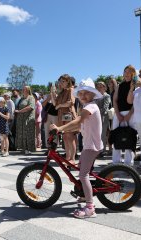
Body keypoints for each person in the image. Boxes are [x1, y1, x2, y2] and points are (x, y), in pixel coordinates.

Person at [51, 79, 103, 218]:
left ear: (93, 94)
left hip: (91, 147)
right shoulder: (87, 107)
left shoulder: (90, 107)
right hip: (89, 145)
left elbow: (78, 120)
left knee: (83, 175)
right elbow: (79, 126)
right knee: (83, 170)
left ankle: (90, 208)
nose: (84, 95)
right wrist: (62, 131)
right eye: (81, 93)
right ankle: (86, 195)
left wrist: (60, 128)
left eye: (87, 93)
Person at [112, 65, 136, 165]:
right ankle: (116, 161)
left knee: (130, 136)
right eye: (125, 71)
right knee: (115, 136)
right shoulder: (119, 85)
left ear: (133, 73)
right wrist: (117, 114)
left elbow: (136, 101)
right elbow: (115, 100)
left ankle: (128, 162)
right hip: (119, 113)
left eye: (129, 72)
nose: (126, 73)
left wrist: (129, 114)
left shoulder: (136, 85)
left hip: (132, 113)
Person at [51, 74, 77, 165]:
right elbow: (55, 104)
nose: (61, 83)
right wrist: (52, 93)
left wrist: (60, 105)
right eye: (60, 81)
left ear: (67, 81)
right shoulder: (62, 92)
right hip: (62, 115)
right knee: (65, 137)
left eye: (63, 81)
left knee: (70, 136)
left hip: (68, 114)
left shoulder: (71, 89)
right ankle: (68, 157)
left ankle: (73, 158)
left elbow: (71, 102)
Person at [15, 86, 36, 154]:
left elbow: (30, 107)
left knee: (28, 134)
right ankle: (24, 148)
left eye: (24, 89)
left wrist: (20, 111)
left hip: (28, 118)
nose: (23, 90)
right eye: (23, 89)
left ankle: (29, 149)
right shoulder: (21, 99)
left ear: (28, 90)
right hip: (21, 119)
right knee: (22, 134)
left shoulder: (31, 98)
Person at [95, 82, 111, 157]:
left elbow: (105, 107)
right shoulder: (95, 96)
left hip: (103, 117)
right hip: (95, 117)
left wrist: (95, 111)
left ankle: (103, 150)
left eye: (101, 86)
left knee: (103, 134)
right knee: (97, 134)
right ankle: (98, 150)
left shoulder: (106, 96)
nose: (99, 88)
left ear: (105, 87)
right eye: (98, 86)